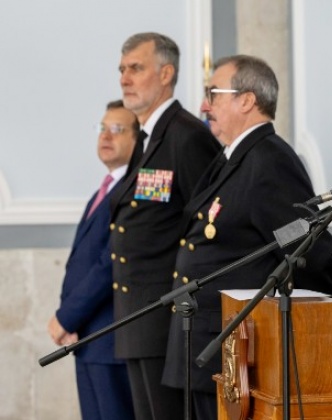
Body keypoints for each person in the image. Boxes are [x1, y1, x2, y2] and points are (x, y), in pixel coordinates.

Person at [161, 54, 332, 419]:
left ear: (246, 100)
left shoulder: (270, 161)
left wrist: (327, 315)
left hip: (233, 349)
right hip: (207, 344)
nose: (204, 105)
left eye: (213, 94)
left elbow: (308, 247)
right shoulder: (235, 156)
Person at [110, 32, 221, 420]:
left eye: (136, 68)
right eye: (122, 69)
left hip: (165, 319)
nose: (125, 78)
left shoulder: (186, 136)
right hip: (137, 316)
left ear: (165, 73)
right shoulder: (149, 137)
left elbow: (205, 227)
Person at [48, 100, 137, 420]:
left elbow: (109, 263)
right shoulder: (104, 189)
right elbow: (80, 262)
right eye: (102, 128)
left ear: (138, 140)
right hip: (87, 338)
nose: (106, 136)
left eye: (117, 129)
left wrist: (67, 317)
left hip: (109, 338)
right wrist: (72, 323)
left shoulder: (134, 189)